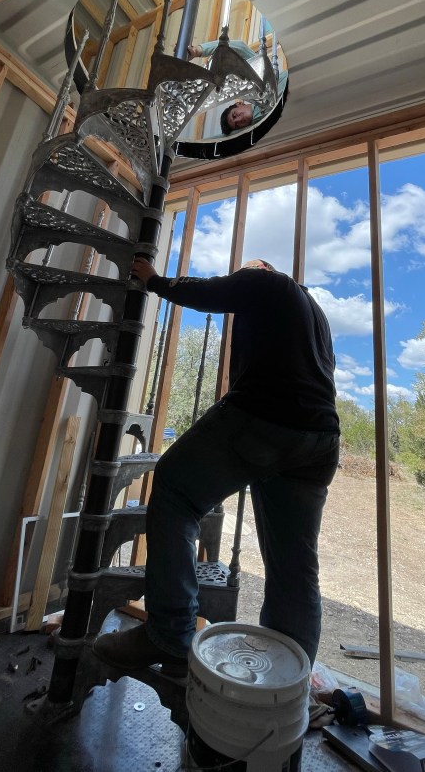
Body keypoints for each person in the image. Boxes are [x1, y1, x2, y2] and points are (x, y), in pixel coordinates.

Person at [92, 257, 340, 677]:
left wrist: (156, 281)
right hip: (318, 440)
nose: (240, 275)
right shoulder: (313, 315)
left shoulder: (270, 282)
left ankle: (169, 633)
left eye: (245, 271)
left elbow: (212, 292)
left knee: (174, 489)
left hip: (264, 418)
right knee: (294, 567)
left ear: (259, 269)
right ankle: (286, 680)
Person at [186, 40, 288, 134]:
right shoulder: (260, 127)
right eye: (237, 125)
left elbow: (240, 47)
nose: (239, 120)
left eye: (234, 115)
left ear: (239, 103)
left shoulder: (254, 85)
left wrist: (197, 51)